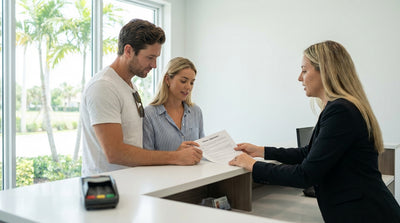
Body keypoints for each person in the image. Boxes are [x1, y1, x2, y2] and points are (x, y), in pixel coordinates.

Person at [229, 40, 400, 222]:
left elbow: (305, 175)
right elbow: (308, 153)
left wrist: (253, 165)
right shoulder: (340, 107)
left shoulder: (341, 111)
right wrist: (261, 151)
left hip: (366, 214)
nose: (299, 78)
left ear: (325, 71)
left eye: (304, 70)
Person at [80, 19, 202, 176]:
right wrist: (175, 157)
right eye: (150, 57)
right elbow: (114, 152)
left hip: (130, 182)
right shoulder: (104, 87)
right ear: (129, 51)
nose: (154, 65)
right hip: (105, 188)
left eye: (156, 58)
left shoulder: (130, 86)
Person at [143, 57, 204, 151]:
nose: (188, 87)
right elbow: (146, 157)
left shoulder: (196, 111)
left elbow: (203, 150)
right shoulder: (149, 114)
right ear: (167, 80)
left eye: (192, 83)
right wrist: (176, 156)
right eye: (183, 81)